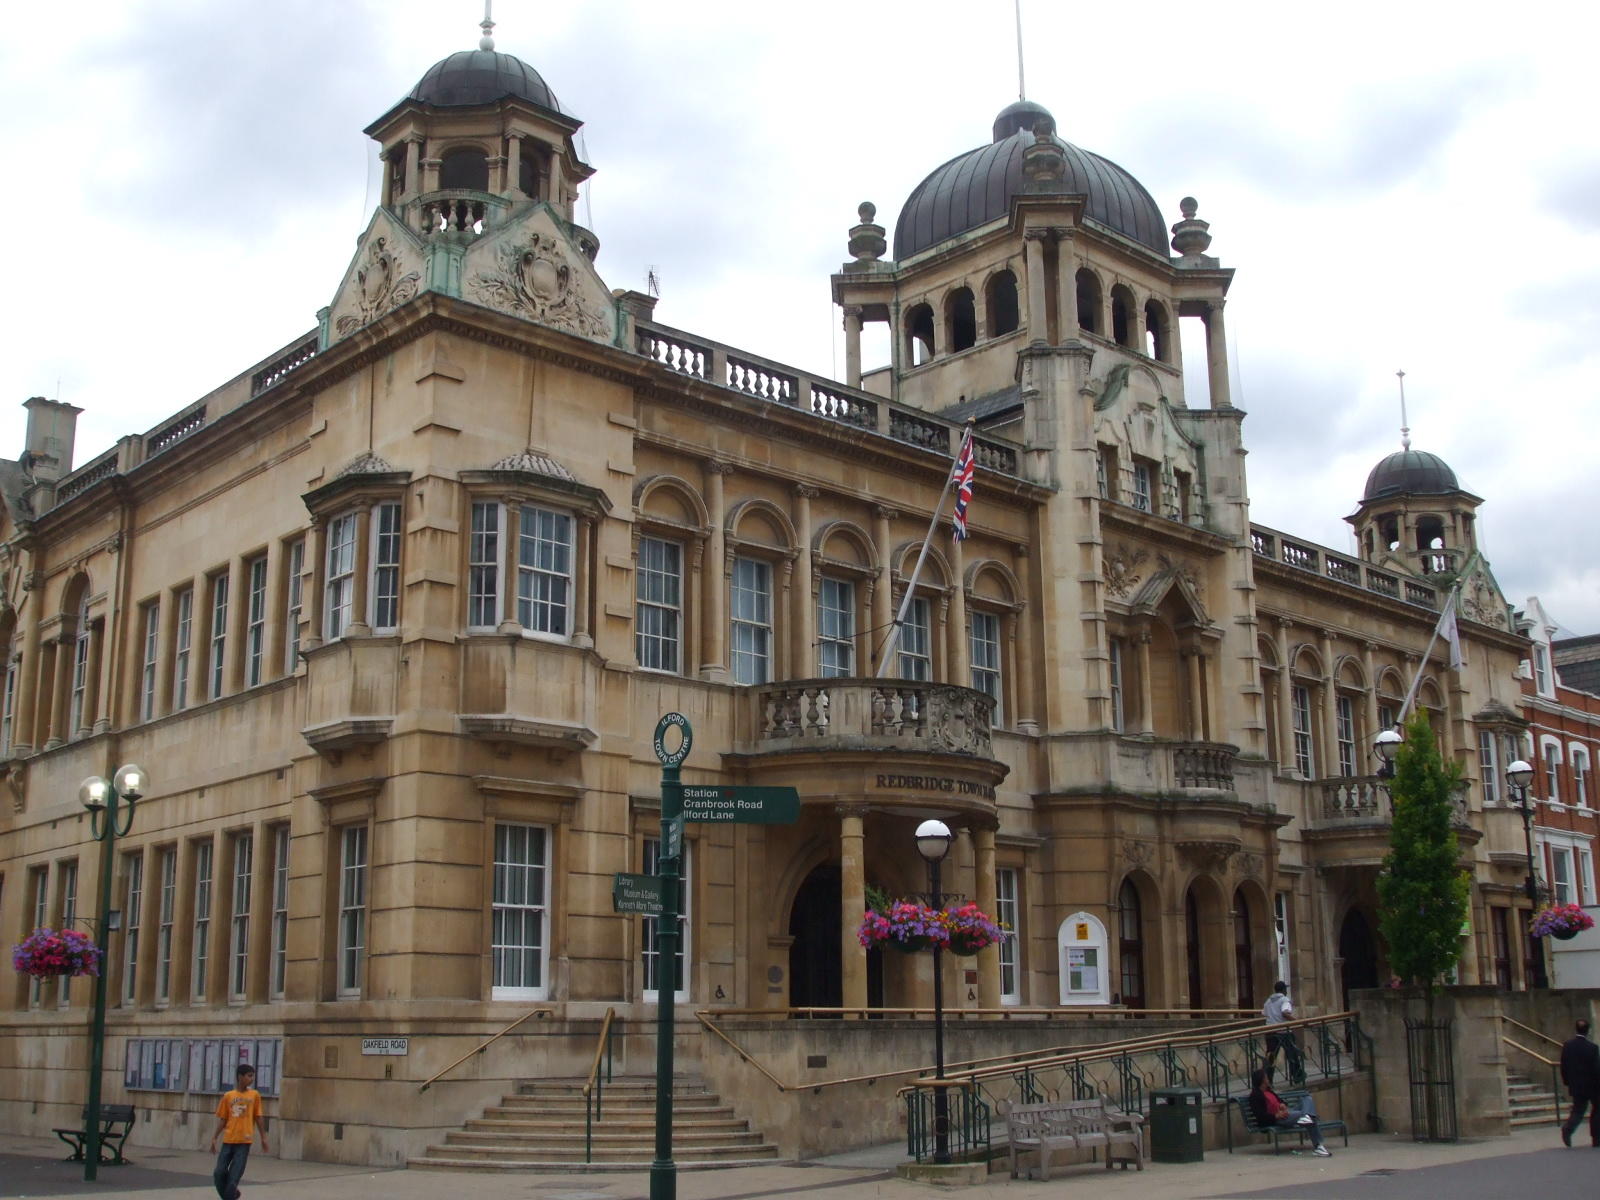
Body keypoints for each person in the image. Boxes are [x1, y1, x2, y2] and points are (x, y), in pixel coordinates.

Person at [211, 1064, 269, 1200]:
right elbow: (223, 1119)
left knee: (233, 1178)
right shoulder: (228, 1096)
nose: (252, 1079)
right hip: (229, 1140)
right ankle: (231, 1195)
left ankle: (230, 1194)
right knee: (219, 1173)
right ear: (240, 1077)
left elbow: (259, 1117)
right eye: (249, 1076)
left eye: (253, 1076)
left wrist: (263, 1137)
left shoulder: (254, 1095)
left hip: (244, 1142)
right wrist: (214, 1137)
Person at [1248, 1067, 1330, 1156]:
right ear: (1262, 1080)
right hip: (1278, 1119)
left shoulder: (1269, 1091)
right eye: (1266, 1077)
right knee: (1308, 1116)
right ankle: (1318, 1146)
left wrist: (1282, 1105)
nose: (1268, 1079)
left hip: (1286, 1113)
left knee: (1307, 1098)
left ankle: (1306, 1116)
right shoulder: (1255, 1096)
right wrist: (1276, 1116)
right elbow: (1260, 1116)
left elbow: (1281, 1102)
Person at [1559, 1018, 1600, 1148]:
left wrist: (1567, 1081)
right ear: (1588, 1031)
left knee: (1578, 1110)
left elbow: (1563, 1065)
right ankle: (1596, 1137)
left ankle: (1568, 1129)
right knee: (1597, 1109)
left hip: (1576, 1084)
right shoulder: (1592, 1048)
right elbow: (1596, 1068)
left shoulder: (1568, 1046)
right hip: (1593, 1085)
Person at [1262, 980, 1303, 1084]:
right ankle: (1297, 1076)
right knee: (1292, 1054)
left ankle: (1267, 1080)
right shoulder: (1284, 1000)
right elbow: (1285, 1013)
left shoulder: (1268, 1001)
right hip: (1284, 1032)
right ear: (1284, 990)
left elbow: (1264, 1013)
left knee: (1271, 1057)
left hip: (1270, 1031)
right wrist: (1298, 1022)